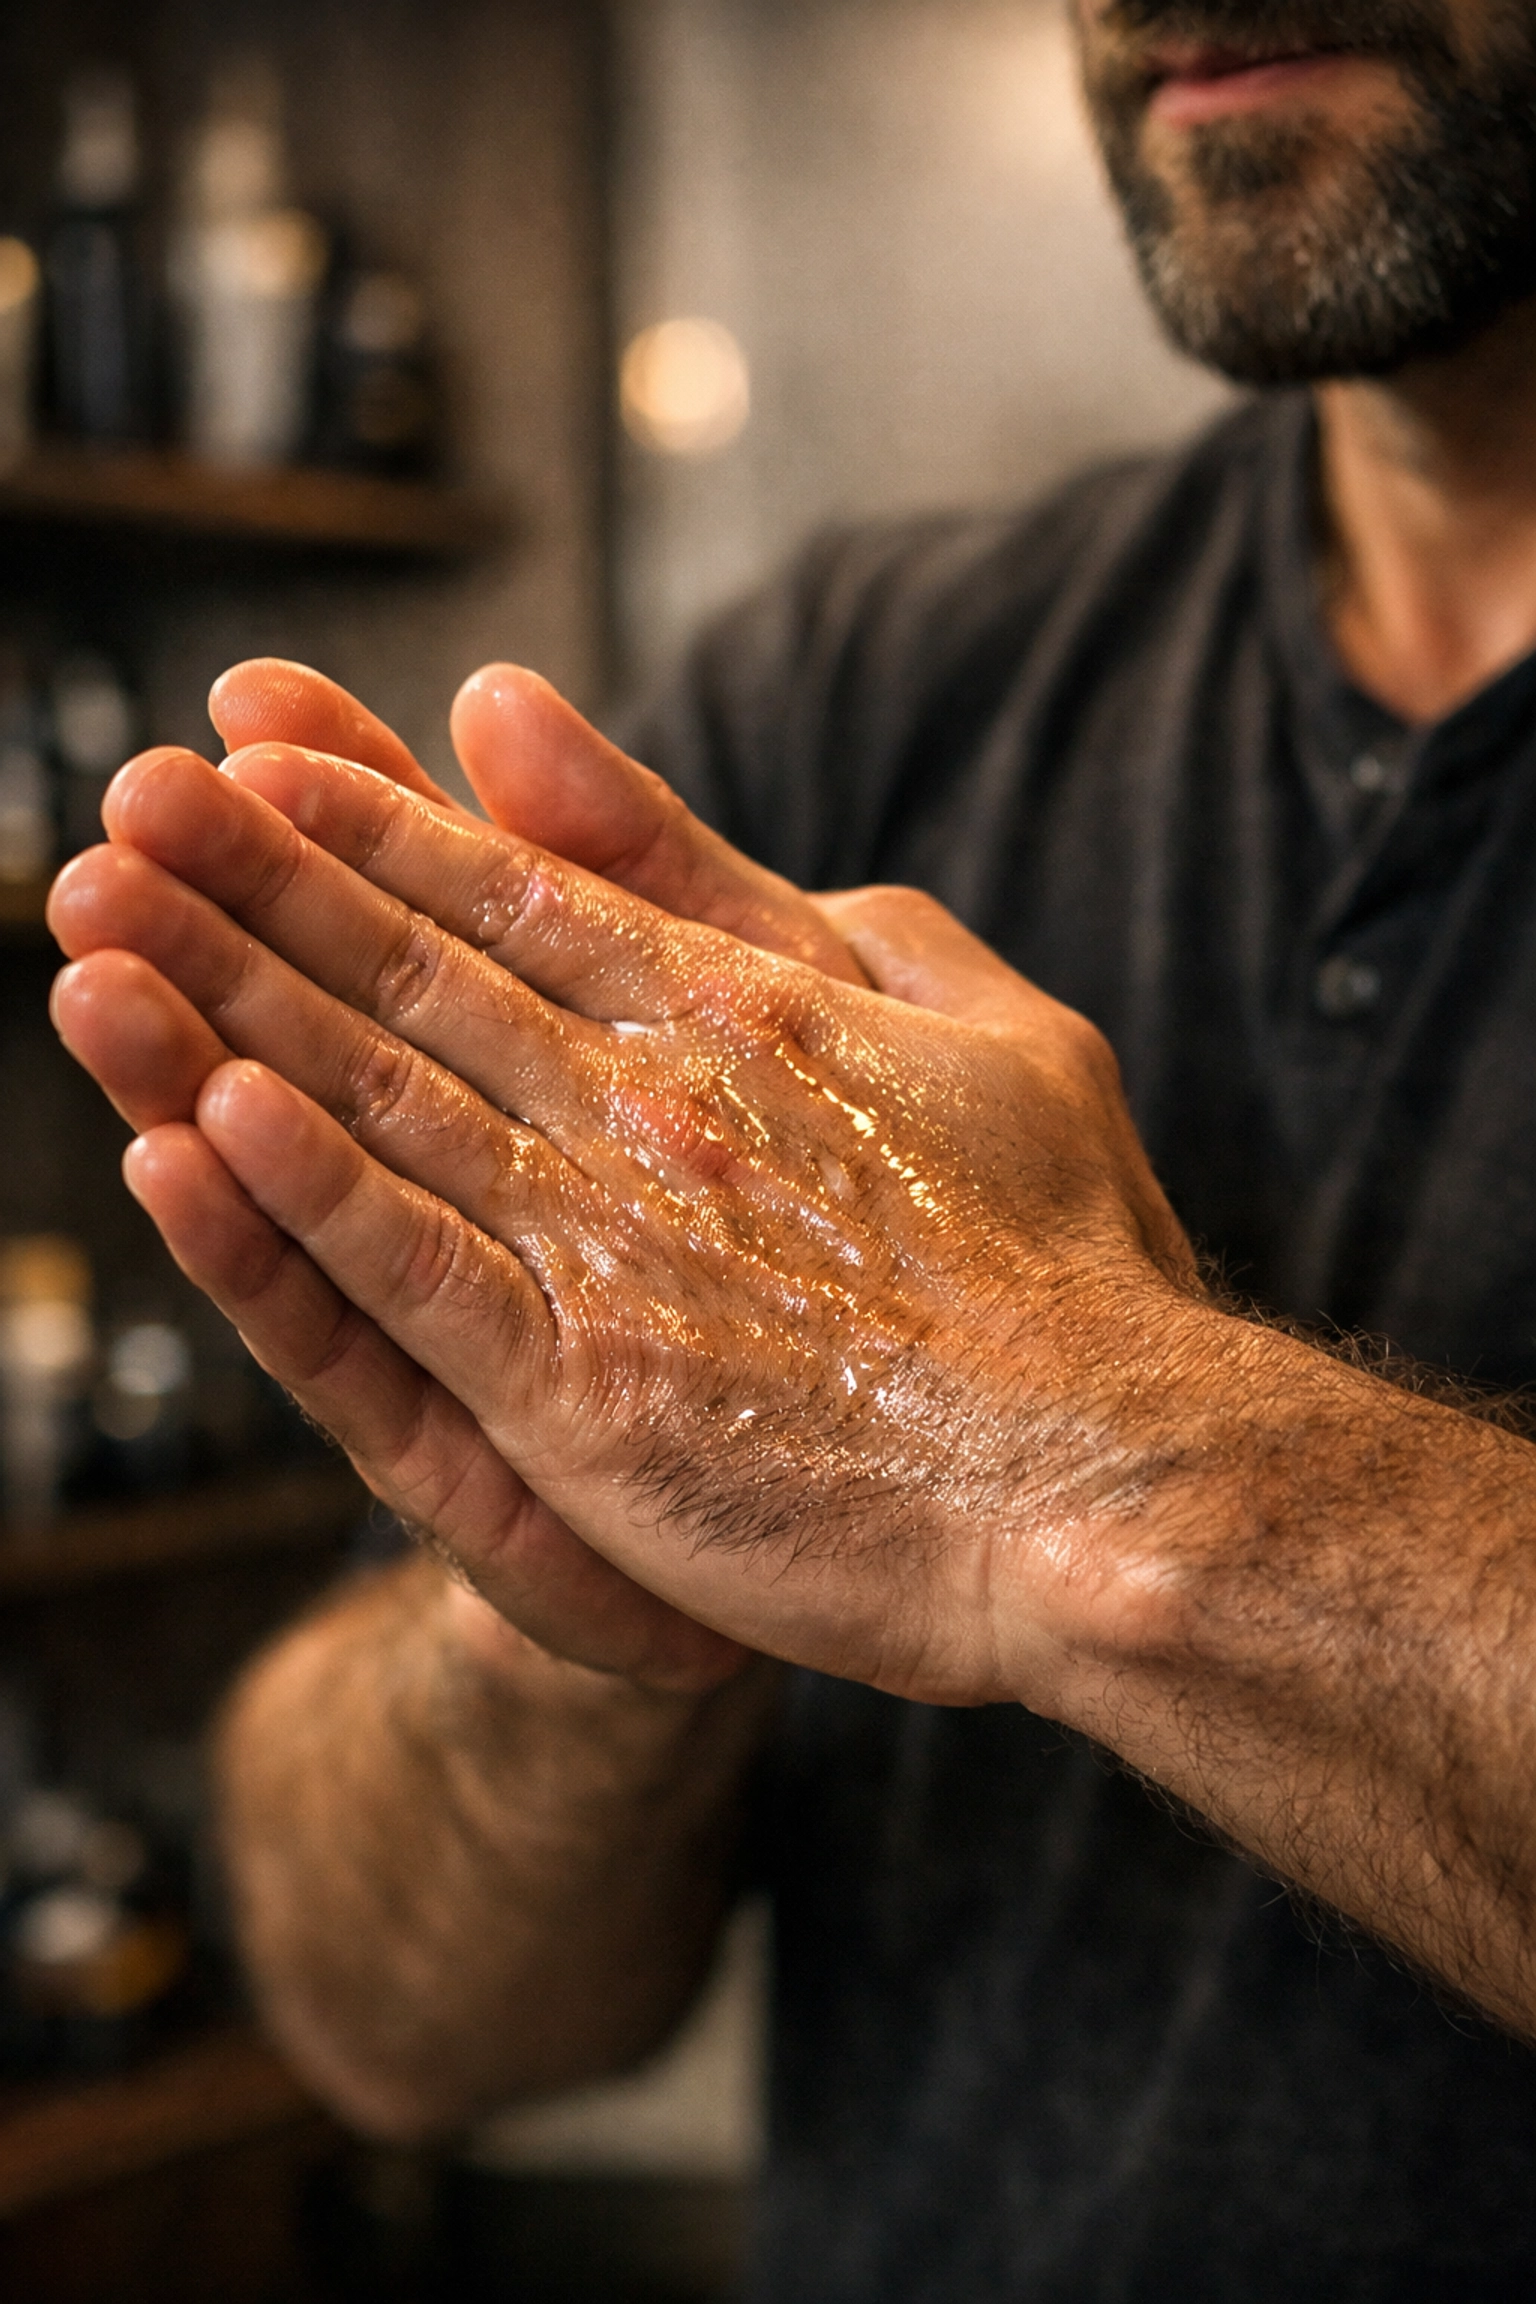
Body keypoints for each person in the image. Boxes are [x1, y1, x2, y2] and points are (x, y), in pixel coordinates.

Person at [43, 0, 1536, 2291]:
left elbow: (1050, 1441)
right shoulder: (860, 686)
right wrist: (592, 1626)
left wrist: (1084, 1453)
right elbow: (383, 2013)